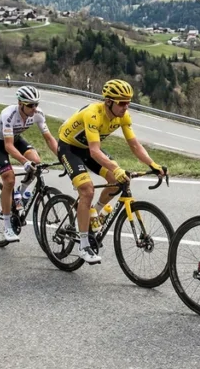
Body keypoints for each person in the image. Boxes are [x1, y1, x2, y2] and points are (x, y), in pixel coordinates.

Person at [56, 79, 166, 264]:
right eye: (122, 102)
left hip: (89, 149)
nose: (126, 107)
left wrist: (152, 164)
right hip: (70, 148)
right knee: (87, 190)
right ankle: (83, 245)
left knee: (119, 181)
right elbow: (94, 151)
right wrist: (116, 168)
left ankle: (94, 214)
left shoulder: (123, 116)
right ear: (108, 101)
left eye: (128, 102)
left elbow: (134, 145)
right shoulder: (93, 114)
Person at [0, 86, 59, 243]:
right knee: (9, 179)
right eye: (30, 105)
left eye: (36, 104)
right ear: (20, 104)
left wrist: (63, 157)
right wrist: (24, 162)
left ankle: (21, 192)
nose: (34, 108)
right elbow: (8, 146)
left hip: (15, 137)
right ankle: (7, 226)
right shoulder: (9, 115)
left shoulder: (38, 114)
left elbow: (49, 139)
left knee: (37, 162)